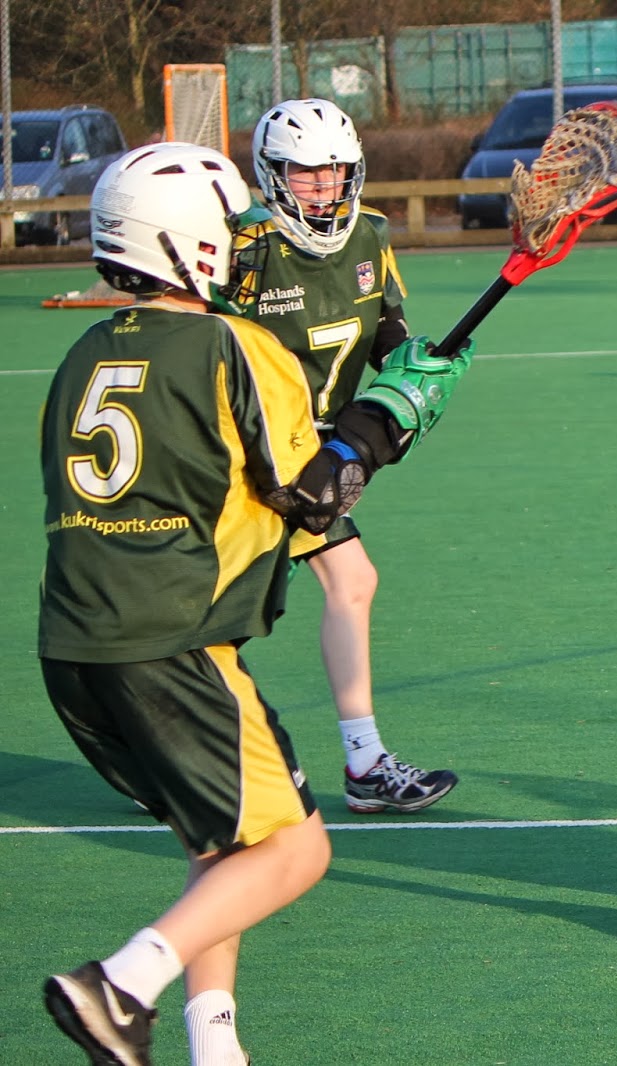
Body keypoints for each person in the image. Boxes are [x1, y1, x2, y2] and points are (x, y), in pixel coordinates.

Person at [38, 142, 469, 1066]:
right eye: (227, 229)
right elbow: (311, 493)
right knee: (295, 852)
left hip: (73, 643)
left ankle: (215, 1046)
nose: (240, 243)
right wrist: (390, 415)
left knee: (223, 847)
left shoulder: (80, 356)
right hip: (174, 645)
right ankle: (119, 986)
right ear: (186, 242)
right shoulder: (238, 344)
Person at [239, 98, 458, 816]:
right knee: (213, 611)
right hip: (235, 453)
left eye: (334, 172)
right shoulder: (246, 249)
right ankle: (173, 750)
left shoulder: (369, 237)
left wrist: (415, 370)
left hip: (311, 460)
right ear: (273, 177)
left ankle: (364, 760)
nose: (323, 189)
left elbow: (389, 336)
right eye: (305, 176)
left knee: (352, 579)